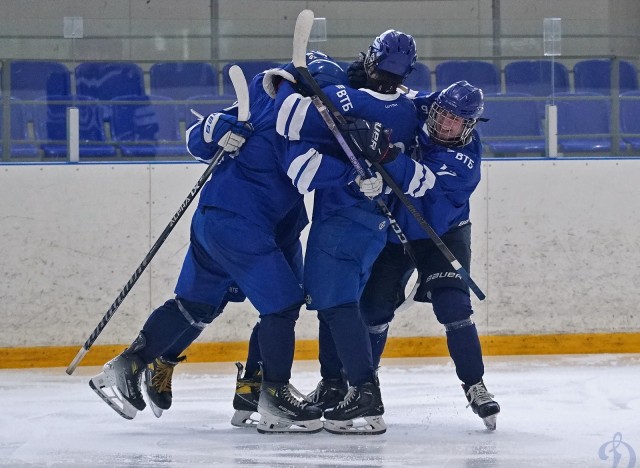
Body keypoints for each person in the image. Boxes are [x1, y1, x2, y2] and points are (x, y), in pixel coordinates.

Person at [90, 56, 346, 434]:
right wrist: (214, 129)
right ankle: (272, 395)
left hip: (242, 221)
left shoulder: (278, 105)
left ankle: (132, 364)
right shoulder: (291, 115)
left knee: (195, 306)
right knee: (282, 305)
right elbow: (199, 137)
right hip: (240, 222)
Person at [274, 30, 421, 434]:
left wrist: (299, 79)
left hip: (344, 220)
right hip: (371, 224)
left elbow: (290, 122)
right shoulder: (407, 108)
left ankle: (365, 393)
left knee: (336, 306)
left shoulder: (356, 99)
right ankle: (334, 385)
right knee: (335, 305)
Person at [358, 80, 501, 430]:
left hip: (443, 233)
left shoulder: (464, 162)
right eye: (443, 114)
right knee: (374, 312)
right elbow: (396, 98)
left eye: (456, 121)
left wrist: (388, 155)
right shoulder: (426, 108)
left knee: (453, 308)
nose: (446, 124)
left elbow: (421, 183)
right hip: (396, 232)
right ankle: (365, 384)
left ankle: (475, 385)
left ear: (470, 126)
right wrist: (370, 84)